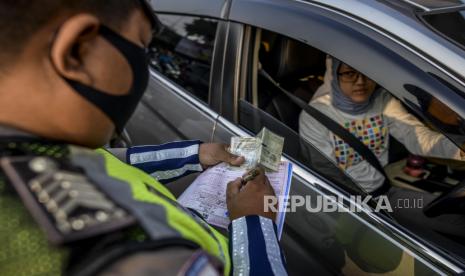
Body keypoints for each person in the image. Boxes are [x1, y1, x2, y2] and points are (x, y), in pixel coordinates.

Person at [0, 1, 287, 275]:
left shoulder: (40, 144)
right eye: (142, 46)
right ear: (77, 50)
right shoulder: (123, 252)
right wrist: (255, 221)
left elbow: (110, 162)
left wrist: (196, 154)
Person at [299, 56, 465, 239]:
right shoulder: (316, 115)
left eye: (366, 72)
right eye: (349, 73)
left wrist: (459, 149)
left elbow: (417, 137)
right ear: (334, 75)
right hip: (344, 201)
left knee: (456, 220)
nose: (360, 81)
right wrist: (367, 214)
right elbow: (325, 171)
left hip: (385, 194)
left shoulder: (382, 101)